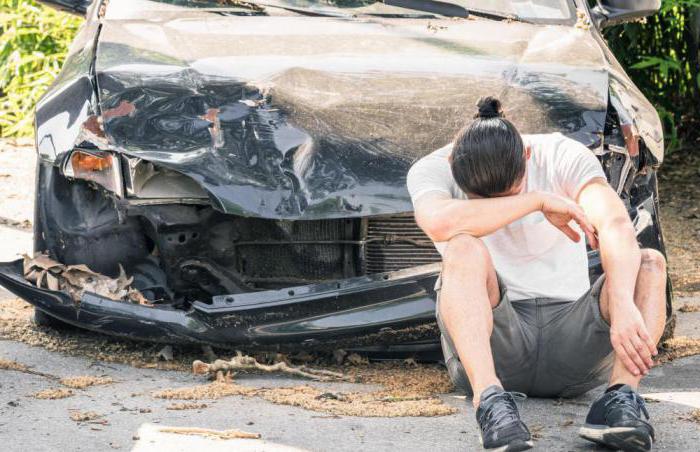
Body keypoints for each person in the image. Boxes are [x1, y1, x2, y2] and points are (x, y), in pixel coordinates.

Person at [406, 97, 667, 452]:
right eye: (483, 201)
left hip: (573, 343)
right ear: (454, 164)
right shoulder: (432, 167)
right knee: (463, 246)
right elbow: (439, 222)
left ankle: (619, 400)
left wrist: (621, 302)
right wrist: (536, 200)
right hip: (497, 344)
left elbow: (614, 222)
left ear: (526, 155)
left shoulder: (560, 154)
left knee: (650, 263)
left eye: (510, 193)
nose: (496, 206)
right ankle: (491, 404)